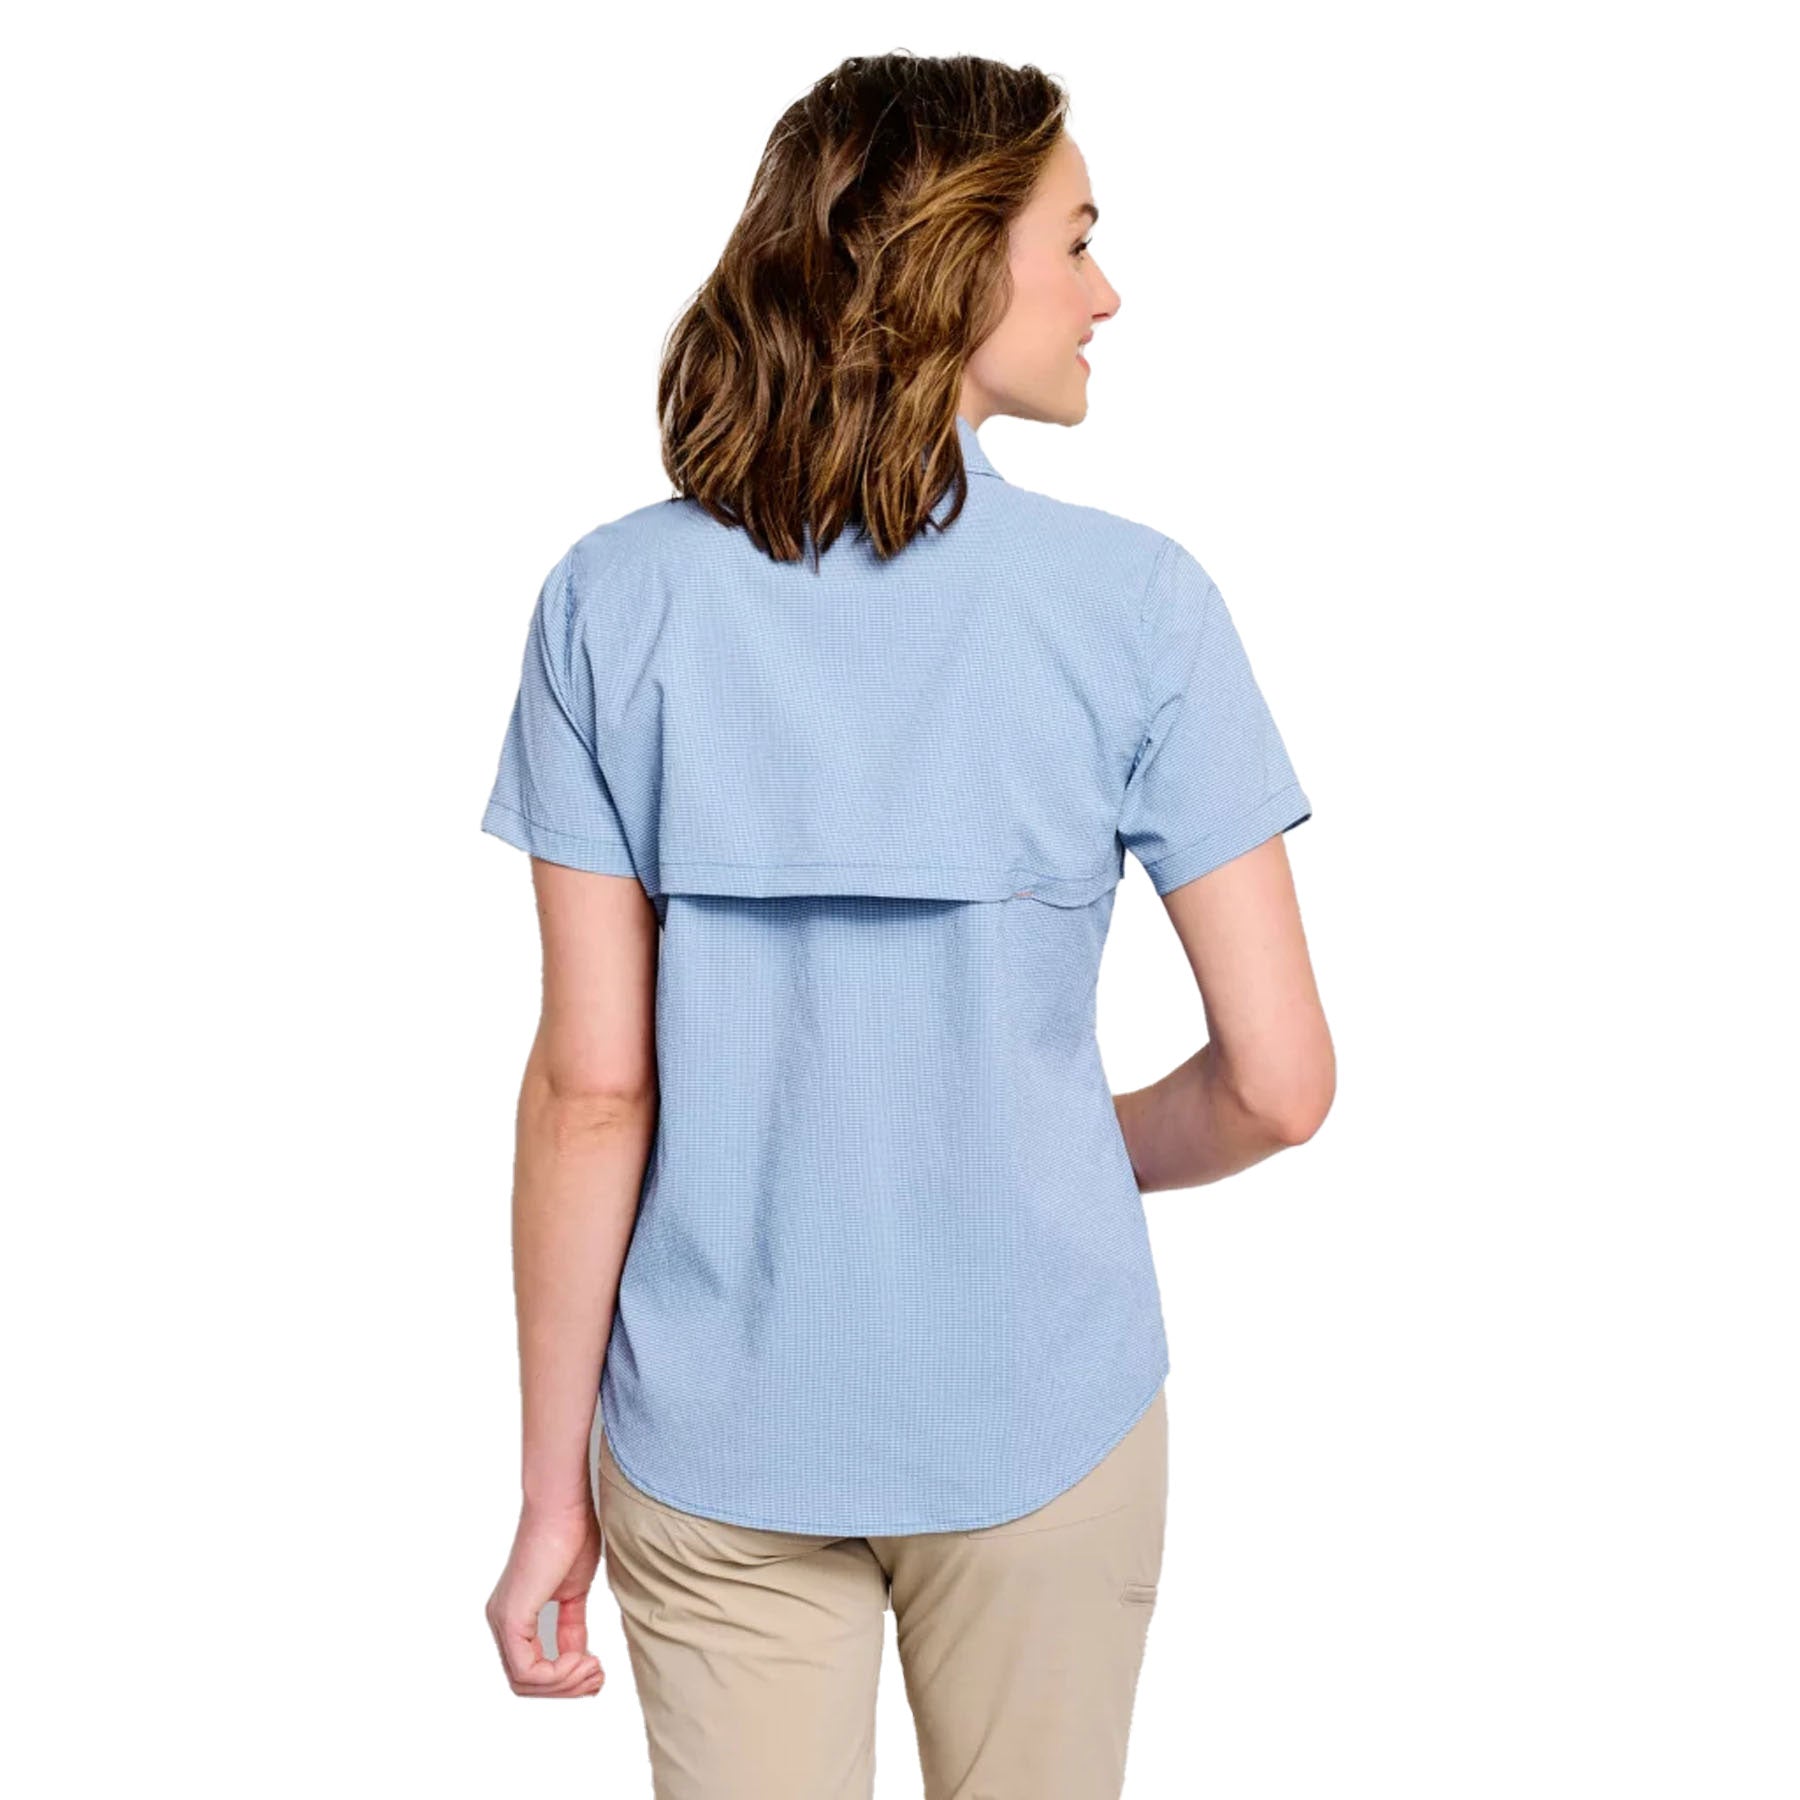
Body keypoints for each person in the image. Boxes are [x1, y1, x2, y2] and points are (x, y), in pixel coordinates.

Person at [478, 51, 1333, 1800]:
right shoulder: (1138, 608)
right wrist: (1055, 1144)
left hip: (710, 1428)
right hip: (1045, 1406)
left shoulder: (609, 604)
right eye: (1074, 241)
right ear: (952, 259)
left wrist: (553, 1490)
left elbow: (593, 1091)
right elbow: (1281, 1084)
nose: (1107, 292)